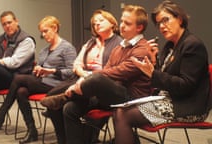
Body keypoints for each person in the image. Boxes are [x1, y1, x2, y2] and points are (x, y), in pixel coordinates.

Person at [43, 5, 153, 144]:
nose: (122, 26)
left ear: (139, 27)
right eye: (122, 21)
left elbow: (117, 72)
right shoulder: (120, 48)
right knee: (69, 109)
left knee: (97, 78)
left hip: (131, 98)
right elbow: (106, 70)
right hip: (109, 93)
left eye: (127, 23)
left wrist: (86, 79)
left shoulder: (142, 49)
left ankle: (66, 95)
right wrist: (86, 80)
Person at [113, 1, 210, 144]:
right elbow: (164, 79)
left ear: (180, 19)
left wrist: (153, 73)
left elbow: (185, 85)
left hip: (187, 106)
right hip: (168, 99)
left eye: (166, 20)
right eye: (159, 23)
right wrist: (154, 61)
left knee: (124, 114)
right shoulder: (170, 45)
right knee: (119, 110)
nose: (162, 26)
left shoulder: (192, 45)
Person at [0, 16, 77, 144]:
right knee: (21, 91)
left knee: (18, 78)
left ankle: (0, 115)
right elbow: (38, 71)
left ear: (55, 28)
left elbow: (71, 72)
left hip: (57, 85)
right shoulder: (44, 51)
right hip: (42, 81)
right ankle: (31, 131)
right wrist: (37, 69)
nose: (43, 34)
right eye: (42, 32)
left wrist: (52, 71)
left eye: (45, 31)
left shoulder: (67, 48)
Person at [40, 9, 122, 144]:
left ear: (112, 23)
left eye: (101, 21)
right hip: (81, 79)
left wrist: (89, 75)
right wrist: (83, 73)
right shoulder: (91, 42)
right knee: (55, 105)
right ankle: (63, 140)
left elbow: (110, 71)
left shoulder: (118, 43)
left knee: (62, 104)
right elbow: (76, 63)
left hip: (100, 87)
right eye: (94, 23)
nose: (97, 25)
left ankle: (66, 97)